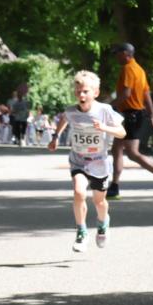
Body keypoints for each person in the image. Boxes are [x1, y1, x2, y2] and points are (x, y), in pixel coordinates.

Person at [48, 71, 126, 252]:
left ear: (95, 93)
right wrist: (55, 137)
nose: (81, 95)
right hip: (79, 160)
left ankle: (103, 222)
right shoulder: (71, 111)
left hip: (99, 161)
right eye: (78, 91)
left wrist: (104, 127)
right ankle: (81, 232)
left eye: (85, 92)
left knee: (99, 202)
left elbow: (122, 133)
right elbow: (64, 119)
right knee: (78, 192)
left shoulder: (104, 110)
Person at [107, 43, 153, 200]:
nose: (115, 56)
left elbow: (126, 94)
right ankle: (114, 186)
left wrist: (109, 107)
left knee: (132, 153)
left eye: (117, 53)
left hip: (130, 114)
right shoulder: (140, 70)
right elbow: (146, 95)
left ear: (126, 53)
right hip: (132, 114)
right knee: (117, 149)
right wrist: (151, 115)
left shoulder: (128, 69)